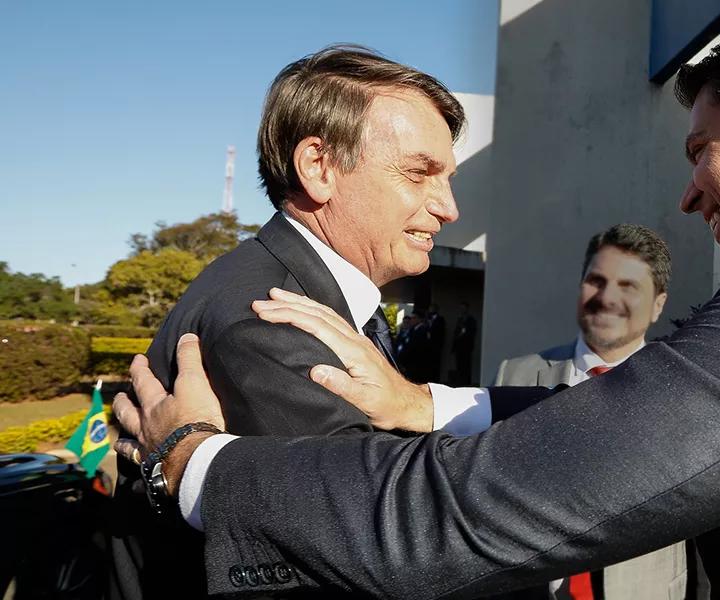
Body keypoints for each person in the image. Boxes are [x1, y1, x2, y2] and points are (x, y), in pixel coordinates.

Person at [114, 7, 720, 599]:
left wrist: (195, 461)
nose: (688, 194)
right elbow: (647, 415)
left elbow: (464, 515)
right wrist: (423, 405)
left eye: (700, 152)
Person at [106, 44, 467, 599]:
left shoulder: (312, 298)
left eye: (447, 178)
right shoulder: (270, 322)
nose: (448, 207)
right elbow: (374, 539)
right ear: (319, 167)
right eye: (419, 173)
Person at [492, 224, 692, 599]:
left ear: (658, 305)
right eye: (596, 281)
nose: (606, 298)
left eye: (628, 286)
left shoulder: (684, 390)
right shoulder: (514, 376)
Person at [453, 301, 479, 384]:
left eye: (463, 308)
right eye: (461, 308)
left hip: (467, 346)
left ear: (467, 309)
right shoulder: (459, 319)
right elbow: (456, 332)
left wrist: (465, 332)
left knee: (466, 364)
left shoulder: (471, 320)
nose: (462, 310)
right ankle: (460, 381)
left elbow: (473, 332)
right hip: (459, 346)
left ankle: (466, 381)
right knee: (459, 364)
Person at [424, 303, 448, 381]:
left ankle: (436, 380)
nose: (431, 310)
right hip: (428, 345)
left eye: (432, 308)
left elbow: (441, 332)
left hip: (436, 345)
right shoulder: (427, 319)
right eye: (430, 308)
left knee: (436, 363)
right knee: (428, 363)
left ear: (436, 309)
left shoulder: (440, 319)